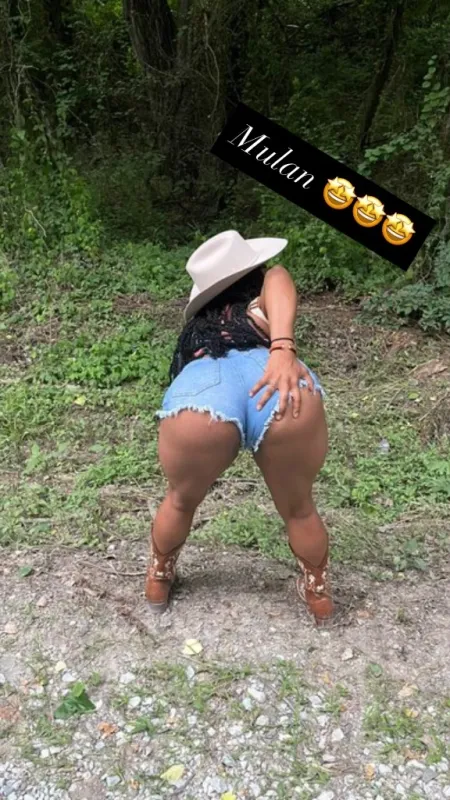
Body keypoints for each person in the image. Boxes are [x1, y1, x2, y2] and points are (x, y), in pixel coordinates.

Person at [145, 230, 333, 625]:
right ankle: (318, 595)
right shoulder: (257, 308)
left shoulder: (198, 332)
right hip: (277, 387)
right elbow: (279, 275)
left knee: (179, 500)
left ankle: (159, 579)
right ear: (251, 274)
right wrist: (282, 347)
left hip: (202, 392)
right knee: (300, 508)